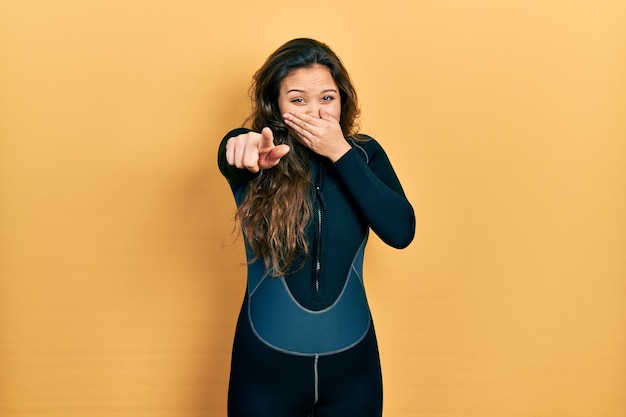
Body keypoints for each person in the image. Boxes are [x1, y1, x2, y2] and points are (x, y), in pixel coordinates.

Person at [217, 38, 415, 417]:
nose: (316, 112)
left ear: (342, 101)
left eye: (327, 98)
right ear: (275, 105)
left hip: (353, 372)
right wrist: (239, 147)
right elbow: (233, 151)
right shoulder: (260, 154)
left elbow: (401, 231)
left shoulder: (365, 155)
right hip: (264, 372)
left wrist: (341, 153)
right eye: (298, 99)